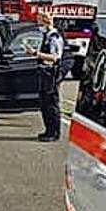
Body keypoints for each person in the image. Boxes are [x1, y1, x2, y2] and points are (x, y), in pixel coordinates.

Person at [25, 10, 64, 142]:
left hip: (51, 74)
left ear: (45, 22)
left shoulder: (54, 37)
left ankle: (54, 132)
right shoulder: (46, 36)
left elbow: (55, 57)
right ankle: (48, 130)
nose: (38, 24)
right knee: (44, 104)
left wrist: (36, 53)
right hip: (44, 73)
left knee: (51, 104)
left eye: (39, 21)